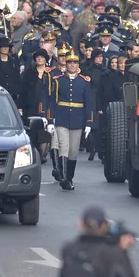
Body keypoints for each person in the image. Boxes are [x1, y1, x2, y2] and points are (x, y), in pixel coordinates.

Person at [48, 46, 91, 191]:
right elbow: (52, 101)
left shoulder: (84, 82)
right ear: (65, 64)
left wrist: (89, 123)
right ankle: (65, 179)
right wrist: (50, 120)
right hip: (62, 118)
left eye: (75, 62)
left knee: (73, 151)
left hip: (77, 119)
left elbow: (88, 103)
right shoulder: (58, 80)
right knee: (63, 148)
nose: (72, 65)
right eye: (69, 62)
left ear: (78, 65)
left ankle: (69, 177)